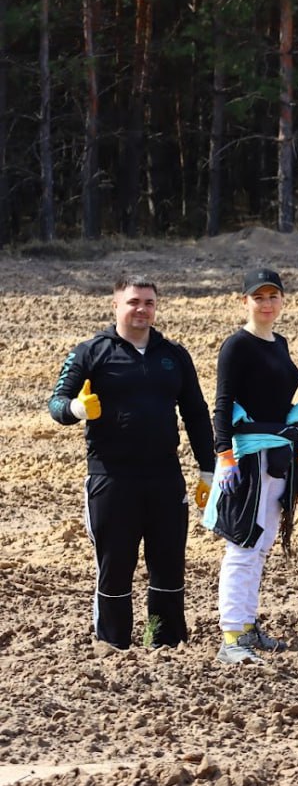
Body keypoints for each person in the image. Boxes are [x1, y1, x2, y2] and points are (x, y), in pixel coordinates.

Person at [48, 273, 215, 650]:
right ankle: (114, 645)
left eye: (149, 302)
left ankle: (166, 643)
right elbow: (56, 403)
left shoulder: (174, 355)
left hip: (164, 477)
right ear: (116, 305)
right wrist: (76, 409)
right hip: (112, 478)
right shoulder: (90, 351)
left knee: (169, 565)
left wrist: (208, 469)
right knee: (116, 567)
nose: (141, 309)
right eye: (133, 302)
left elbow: (196, 414)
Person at [204, 268, 298, 665]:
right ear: (244, 301)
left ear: (282, 300)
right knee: (244, 543)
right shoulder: (237, 346)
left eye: (273, 296)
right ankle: (231, 634)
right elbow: (223, 402)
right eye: (259, 297)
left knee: (261, 544)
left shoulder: (279, 343)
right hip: (249, 457)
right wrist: (224, 456)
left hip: (278, 454)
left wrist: (294, 442)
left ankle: (246, 627)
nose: (267, 304)